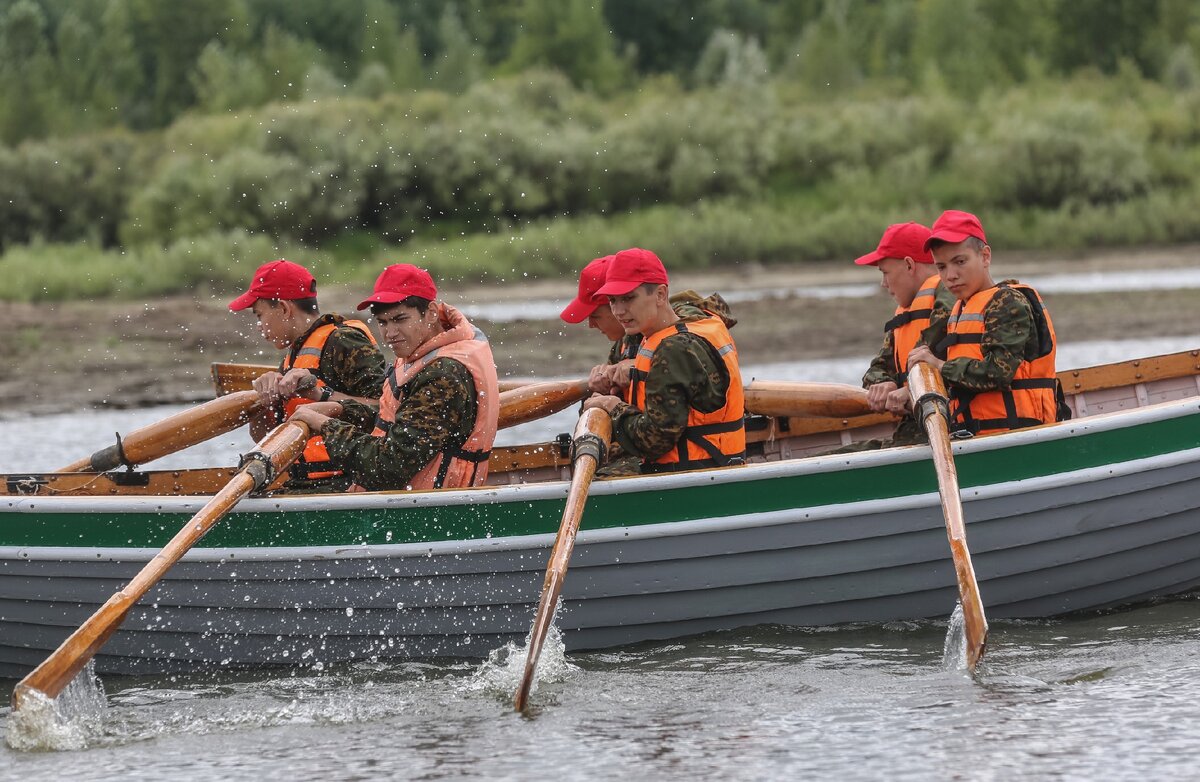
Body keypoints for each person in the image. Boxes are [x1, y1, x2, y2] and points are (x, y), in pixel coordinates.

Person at [288, 264, 500, 491]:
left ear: (430, 313)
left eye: (400, 319)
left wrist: (326, 425)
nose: (390, 333)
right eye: (382, 322)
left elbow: (387, 468)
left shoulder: (444, 374)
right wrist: (340, 409)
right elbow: (400, 419)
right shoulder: (423, 351)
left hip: (426, 509)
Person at [582, 248, 745, 473]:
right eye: (612, 301)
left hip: (697, 473)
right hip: (706, 466)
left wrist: (612, 406)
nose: (619, 311)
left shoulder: (672, 348)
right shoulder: (667, 337)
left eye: (629, 298)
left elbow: (653, 442)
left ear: (660, 295)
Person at [229, 259, 386, 492]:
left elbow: (387, 412)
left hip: (348, 484)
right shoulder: (292, 356)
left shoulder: (344, 341)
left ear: (283, 308)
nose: (259, 326)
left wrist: (322, 396)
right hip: (306, 482)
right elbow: (265, 438)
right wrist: (262, 405)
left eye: (259, 315)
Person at [907, 210, 1064, 436]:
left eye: (960, 262)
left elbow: (997, 372)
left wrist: (939, 366)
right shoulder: (959, 310)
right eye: (941, 267)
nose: (950, 275)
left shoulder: (1008, 302)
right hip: (970, 435)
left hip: (1016, 434)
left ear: (985, 256)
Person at [852, 221, 956, 447]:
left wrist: (907, 390)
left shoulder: (949, 293)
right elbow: (876, 369)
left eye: (885, 272)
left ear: (909, 265)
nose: (883, 283)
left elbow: (926, 351)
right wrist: (883, 384)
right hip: (912, 431)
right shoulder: (907, 313)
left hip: (942, 429)